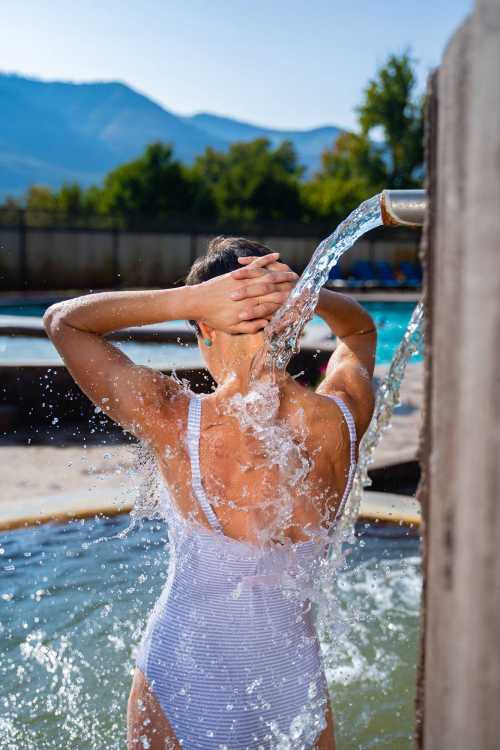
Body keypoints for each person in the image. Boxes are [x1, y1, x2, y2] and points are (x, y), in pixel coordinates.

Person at [44, 237, 376, 750]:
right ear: (291, 317)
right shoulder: (341, 417)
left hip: (182, 677)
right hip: (295, 689)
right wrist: (306, 294)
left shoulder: (177, 419)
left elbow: (64, 322)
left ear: (204, 325)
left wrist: (188, 299)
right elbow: (358, 329)